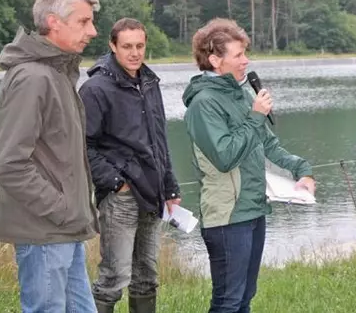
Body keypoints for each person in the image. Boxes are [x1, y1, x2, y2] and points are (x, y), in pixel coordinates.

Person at [182, 18, 316, 313]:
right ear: (216, 60)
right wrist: (255, 116)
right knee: (228, 301)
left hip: (254, 209)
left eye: (245, 53)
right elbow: (225, 156)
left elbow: (268, 146)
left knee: (245, 298)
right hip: (227, 216)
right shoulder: (204, 103)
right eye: (239, 55)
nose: (247, 60)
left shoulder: (242, 93)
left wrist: (301, 169)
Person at [0, 0, 100, 312]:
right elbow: (8, 162)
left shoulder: (57, 74)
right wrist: (62, 209)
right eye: (83, 21)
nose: (92, 31)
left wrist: (70, 214)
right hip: (46, 233)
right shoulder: (33, 78)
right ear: (54, 22)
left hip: (63, 232)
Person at [78, 17, 181, 312]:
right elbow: (83, 146)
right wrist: (115, 183)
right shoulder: (96, 89)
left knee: (147, 276)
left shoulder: (150, 82)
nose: (135, 53)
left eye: (140, 46)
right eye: (127, 46)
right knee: (114, 277)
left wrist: (170, 185)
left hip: (153, 192)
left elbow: (159, 140)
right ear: (112, 46)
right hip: (120, 197)